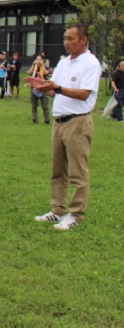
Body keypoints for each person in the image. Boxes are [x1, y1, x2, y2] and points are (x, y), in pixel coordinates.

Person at [28, 24, 101, 231]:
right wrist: (41, 86)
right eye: (65, 39)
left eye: (71, 38)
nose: (67, 43)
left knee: (78, 172)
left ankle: (76, 214)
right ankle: (57, 209)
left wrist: (57, 88)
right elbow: (54, 91)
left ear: (83, 40)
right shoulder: (63, 62)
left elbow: (84, 94)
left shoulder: (90, 63)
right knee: (58, 170)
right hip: (59, 122)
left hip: (78, 122)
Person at [27, 54, 51, 124]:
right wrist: (33, 65)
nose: (38, 61)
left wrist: (42, 65)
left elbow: (46, 73)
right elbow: (29, 72)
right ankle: (35, 120)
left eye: (40, 59)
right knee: (34, 105)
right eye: (37, 59)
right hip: (34, 88)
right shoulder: (34, 68)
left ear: (43, 60)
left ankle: (47, 120)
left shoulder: (45, 68)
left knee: (45, 105)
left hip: (43, 88)